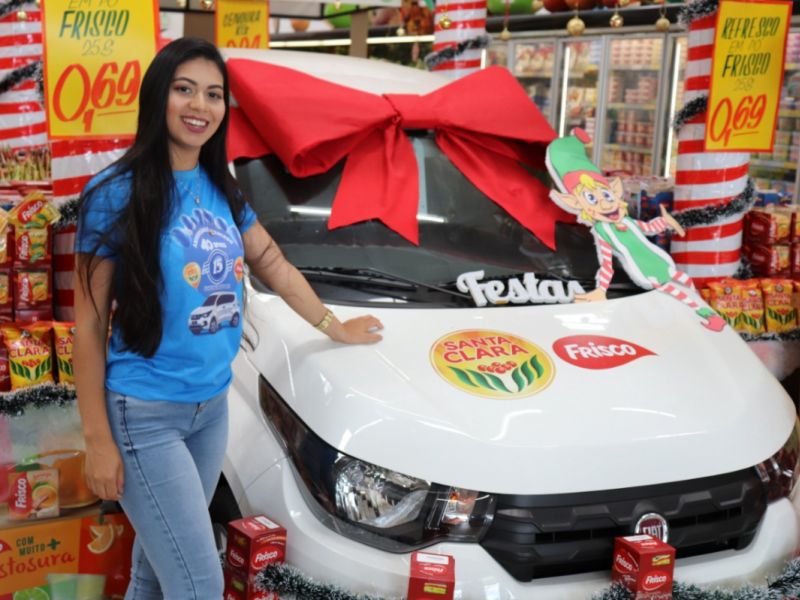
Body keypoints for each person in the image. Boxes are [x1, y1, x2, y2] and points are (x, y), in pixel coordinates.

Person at [74, 37, 383, 600]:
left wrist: (333, 326)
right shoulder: (114, 194)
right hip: (145, 414)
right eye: (184, 89)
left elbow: (272, 262)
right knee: (199, 583)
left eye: (214, 94)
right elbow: (90, 325)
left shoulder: (220, 187)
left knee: (154, 569)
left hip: (210, 410)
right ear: (157, 96)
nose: (200, 105)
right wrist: (97, 440)